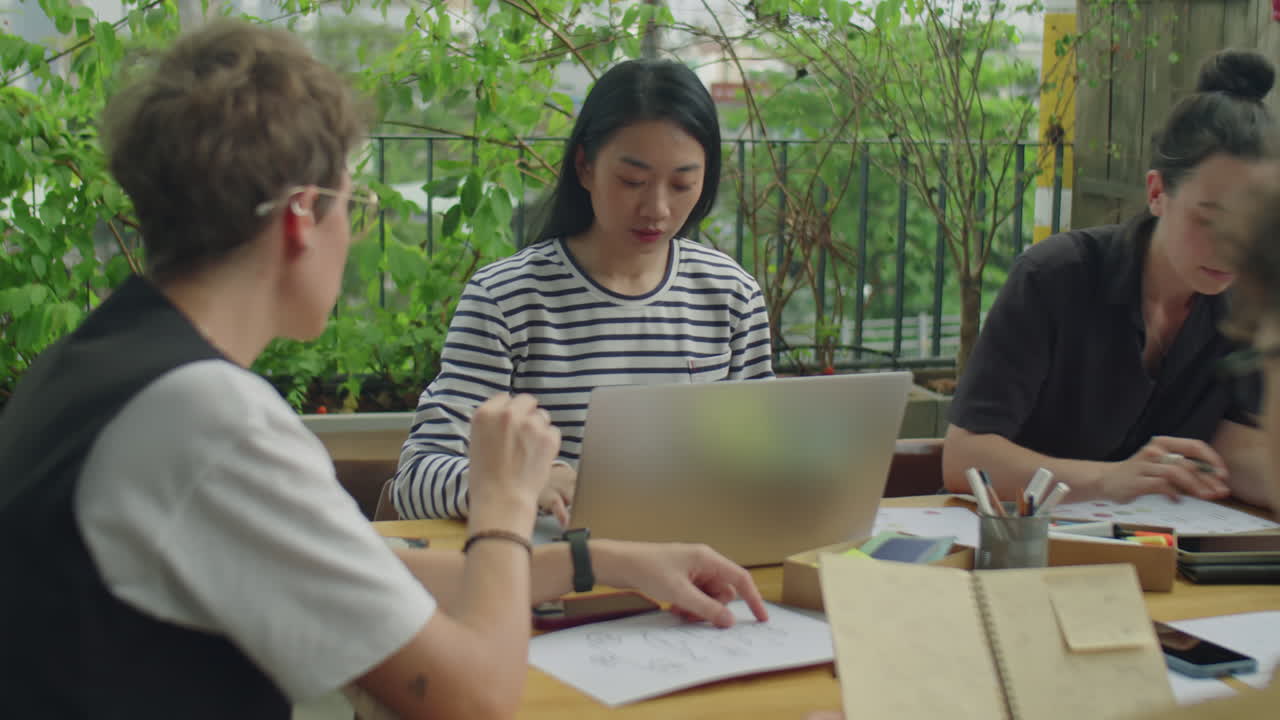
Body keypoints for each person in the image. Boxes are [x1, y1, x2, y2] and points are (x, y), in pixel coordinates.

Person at [0, 21, 768, 719]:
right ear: (301, 219)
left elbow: (373, 572)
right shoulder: (211, 424)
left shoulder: (98, 369)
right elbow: (476, 699)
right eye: (354, 204)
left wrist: (600, 562)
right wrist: (504, 498)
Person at [393, 59, 775, 523]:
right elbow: (417, 480)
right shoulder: (506, 300)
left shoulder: (731, 296)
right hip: (556, 559)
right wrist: (522, 481)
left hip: (697, 550)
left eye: (681, 184)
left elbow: (762, 462)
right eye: (632, 181)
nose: (656, 208)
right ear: (585, 167)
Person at [942, 49, 1275, 509]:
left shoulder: (1247, 304)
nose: (1230, 248)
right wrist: (1109, 479)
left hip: (1160, 541)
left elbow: (1233, 448)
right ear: (1157, 193)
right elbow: (965, 458)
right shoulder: (1055, 277)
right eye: (1210, 219)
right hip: (1018, 534)